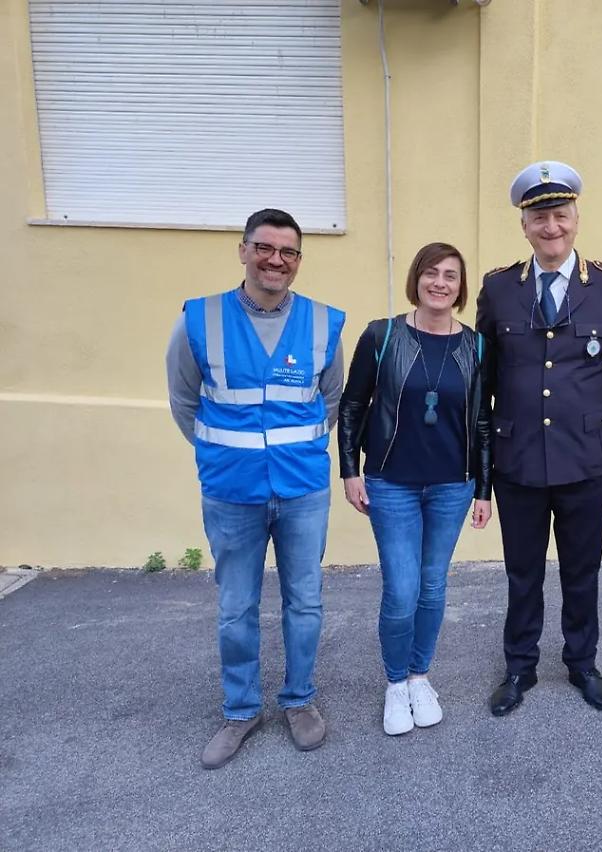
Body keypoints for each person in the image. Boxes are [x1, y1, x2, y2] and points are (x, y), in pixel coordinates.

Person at [165, 208, 345, 769]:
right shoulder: (200, 318)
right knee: (236, 606)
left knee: (305, 602)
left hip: (302, 489)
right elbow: (183, 400)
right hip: (231, 490)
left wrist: (292, 450)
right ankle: (241, 710)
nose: (276, 260)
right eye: (265, 248)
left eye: (288, 252)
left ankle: (300, 701)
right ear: (243, 250)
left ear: (297, 261)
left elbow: (331, 400)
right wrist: (223, 452)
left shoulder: (323, 322)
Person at [476, 160, 602, 716]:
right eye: (540, 217)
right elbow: (487, 371)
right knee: (522, 570)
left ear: (576, 219)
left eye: (561, 215)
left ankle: (581, 663)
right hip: (517, 455)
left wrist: (587, 412)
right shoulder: (499, 289)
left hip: (585, 455)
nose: (552, 227)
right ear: (524, 225)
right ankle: (519, 666)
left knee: (581, 568)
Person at [337, 242, 493, 736]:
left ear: (460, 287)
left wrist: (484, 488)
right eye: (431, 273)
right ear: (416, 278)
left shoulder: (476, 345)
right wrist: (349, 470)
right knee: (401, 590)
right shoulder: (380, 336)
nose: (440, 283)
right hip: (391, 482)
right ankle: (394, 684)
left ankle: (421, 676)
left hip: (452, 484)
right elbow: (352, 406)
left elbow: (483, 421)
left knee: (432, 586)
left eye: (451, 276)